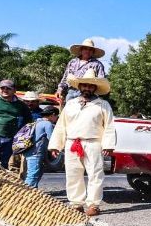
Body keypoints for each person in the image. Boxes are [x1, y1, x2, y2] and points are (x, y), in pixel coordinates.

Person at [49, 69, 115, 216]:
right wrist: (55, 145)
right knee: (73, 173)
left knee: (95, 174)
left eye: (91, 86)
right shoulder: (71, 104)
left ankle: (93, 204)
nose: (87, 88)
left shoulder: (103, 105)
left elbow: (109, 125)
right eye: (84, 85)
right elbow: (61, 125)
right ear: (79, 87)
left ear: (95, 88)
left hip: (94, 143)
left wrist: (108, 145)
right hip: (72, 143)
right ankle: (76, 204)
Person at [0, 79, 33, 168]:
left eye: (8, 88)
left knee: (1, 169)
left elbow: (28, 121)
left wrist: (19, 135)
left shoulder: (20, 105)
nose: (5, 90)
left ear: (14, 90)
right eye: (2, 88)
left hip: (7, 142)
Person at [57, 38, 106, 104]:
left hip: (87, 93)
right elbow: (66, 78)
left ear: (93, 52)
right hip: (71, 92)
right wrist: (60, 89)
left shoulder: (97, 64)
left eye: (90, 49)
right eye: (85, 48)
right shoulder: (72, 62)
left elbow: (100, 82)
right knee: (69, 111)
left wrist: (91, 96)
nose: (87, 51)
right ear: (81, 50)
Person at [23, 105, 59, 188]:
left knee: (35, 172)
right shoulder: (47, 124)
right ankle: (26, 193)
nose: (57, 118)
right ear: (53, 115)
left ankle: (33, 192)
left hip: (29, 151)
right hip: (36, 153)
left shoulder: (36, 121)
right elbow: (51, 139)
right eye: (57, 116)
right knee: (32, 174)